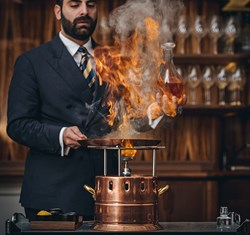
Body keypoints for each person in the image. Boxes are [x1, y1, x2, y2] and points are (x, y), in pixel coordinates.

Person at [7, 0, 186, 221]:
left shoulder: (114, 61)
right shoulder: (32, 62)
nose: (84, 11)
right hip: (53, 196)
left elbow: (125, 118)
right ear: (57, 11)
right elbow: (18, 125)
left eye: (90, 5)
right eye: (74, 4)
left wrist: (154, 111)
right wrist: (60, 135)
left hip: (109, 193)